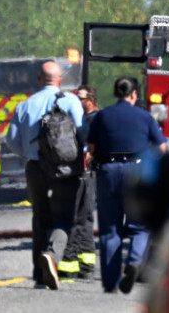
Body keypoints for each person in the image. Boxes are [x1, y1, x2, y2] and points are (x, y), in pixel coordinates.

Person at [6, 61, 85, 290]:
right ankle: (51, 255)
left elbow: (11, 140)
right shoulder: (71, 100)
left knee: (40, 218)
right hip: (65, 169)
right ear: (60, 80)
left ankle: (39, 274)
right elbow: (83, 133)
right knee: (63, 217)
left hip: (35, 167)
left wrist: (30, 154)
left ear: (39, 80)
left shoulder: (24, 105)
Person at [87, 76, 167, 295]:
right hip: (137, 172)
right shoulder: (144, 116)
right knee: (140, 225)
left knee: (110, 229)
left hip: (109, 172)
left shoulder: (102, 115)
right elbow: (161, 148)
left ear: (116, 93)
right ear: (134, 94)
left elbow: (91, 148)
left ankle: (110, 282)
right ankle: (134, 262)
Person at [58, 84, 100, 281]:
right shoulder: (83, 119)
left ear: (90, 101)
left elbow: (92, 149)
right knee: (84, 217)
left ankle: (71, 264)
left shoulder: (94, 120)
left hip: (86, 172)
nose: (76, 101)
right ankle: (85, 264)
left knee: (77, 217)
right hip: (84, 172)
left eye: (80, 98)